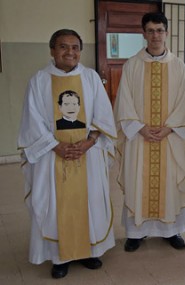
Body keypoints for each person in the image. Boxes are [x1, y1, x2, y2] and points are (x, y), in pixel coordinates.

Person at [17, 29, 117, 279]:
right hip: (52, 155)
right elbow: (33, 121)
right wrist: (55, 146)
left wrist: (90, 141)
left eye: (75, 47)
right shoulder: (39, 80)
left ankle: (89, 251)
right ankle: (60, 257)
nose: (69, 52)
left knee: (91, 200)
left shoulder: (91, 78)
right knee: (52, 205)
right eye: (63, 47)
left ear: (80, 51)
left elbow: (103, 115)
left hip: (88, 155)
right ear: (52, 50)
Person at [114, 12, 185, 252]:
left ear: (166, 32)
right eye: (150, 31)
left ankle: (172, 231)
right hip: (139, 138)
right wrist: (139, 128)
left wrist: (170, 128)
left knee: (170, 182)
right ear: (143, 34)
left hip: (169, 138)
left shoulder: (178, 65)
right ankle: (136, 232)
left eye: (159, 30)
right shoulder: (132, 64)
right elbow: (124, 101)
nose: (155, 35)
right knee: (137, 181)